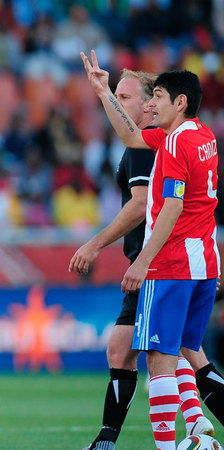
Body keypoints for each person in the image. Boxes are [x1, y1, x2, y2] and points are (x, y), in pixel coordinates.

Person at [70, 68, 223, 449]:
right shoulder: (203, 136)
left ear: (180, 102)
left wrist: (142, 262)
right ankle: (198, 429)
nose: (153, 105)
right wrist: (104, 93)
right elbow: (132, 135)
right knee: (192, 354)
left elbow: (171, 206)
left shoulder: (173, 145)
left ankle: (167, 446)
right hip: (203, 261)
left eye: (159, 98)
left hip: (170, 265)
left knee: (160, 361)